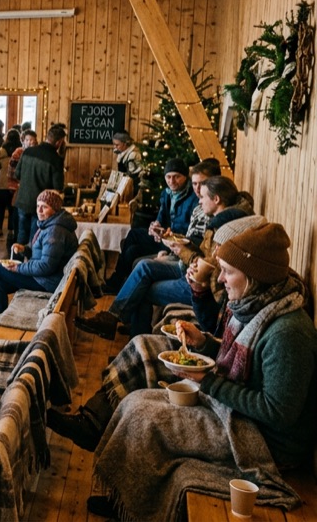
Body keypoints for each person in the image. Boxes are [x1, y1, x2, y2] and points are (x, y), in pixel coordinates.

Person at [48, 223, 317, 520]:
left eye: (228, 271)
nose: (221, 277)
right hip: (236, 414)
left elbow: (278, 413)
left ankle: (134, 506)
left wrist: (210, 382)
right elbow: (240, 361)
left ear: (254, 276)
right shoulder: (255, 307)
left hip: (262, 443)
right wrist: (204, 343)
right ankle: (128, 495)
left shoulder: (288, 332)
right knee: (134, 403)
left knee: (147, 420)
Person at [79, 175, 250, 339]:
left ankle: (132, 338)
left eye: (203, 196)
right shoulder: (219, 221)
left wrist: (180, 250)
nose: (199, 199)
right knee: (145, 266)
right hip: (189, 269)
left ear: (217, 199)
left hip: (200, 286)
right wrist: (183, 244)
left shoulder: (226, 228)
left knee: (144, 289)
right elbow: (203, 254)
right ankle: (112, 318)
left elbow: (207, 268)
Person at [0, 190, 77, 326]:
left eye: (45, 207)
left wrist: (18, 268)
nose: (39, 210)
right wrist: (25, 249)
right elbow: (42, 253)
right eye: (38, 206)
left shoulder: (55, 231)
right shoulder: (50, 224)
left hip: (47, 282)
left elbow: (46, 266)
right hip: (45, 278)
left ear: (55, 209)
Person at [102, 158, 197, 292]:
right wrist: (155, 225)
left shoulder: (193, 197)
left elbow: (189, 229)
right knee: (133, 235)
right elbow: (161, 217)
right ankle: (119, 281)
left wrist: (166, 233)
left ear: (185, 177)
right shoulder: (167, 193)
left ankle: (119, 284)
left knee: (131, 252)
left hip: (176, 242)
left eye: (177, 177)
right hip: (164, 237)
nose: (172, 181)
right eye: (168, 177)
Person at [13, 125, 66, 245]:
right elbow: (58, 187)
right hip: (40, 205)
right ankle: (32, 263)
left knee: (20, 238)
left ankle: (16, 263)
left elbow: (17, 174)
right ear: (59, 142)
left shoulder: (28, 151)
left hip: (22, 200)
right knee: (35, 241)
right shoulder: (56, 159)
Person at [0, 129, 21, 241]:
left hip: (1, 183)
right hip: (15, 183)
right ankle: (11, 230)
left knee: (0, 208)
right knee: (13, 208)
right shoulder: (21, 151)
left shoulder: (1, 150)